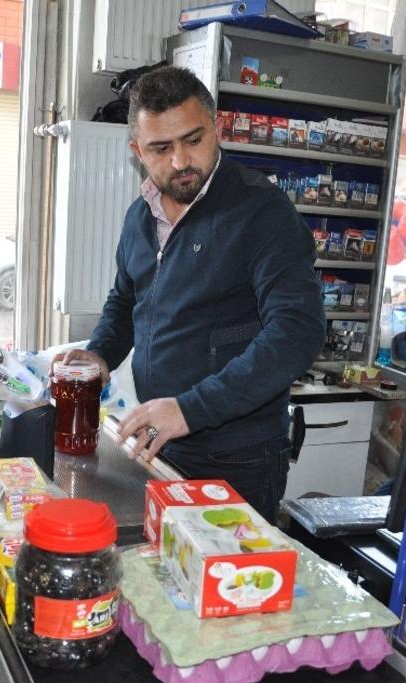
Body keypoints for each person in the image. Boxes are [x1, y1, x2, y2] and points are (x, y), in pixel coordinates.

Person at [60, 66, 325, 523]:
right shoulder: (139, 217)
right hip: (159, 437)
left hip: (236, 455)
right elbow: (126, 299)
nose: (181, 160)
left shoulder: (261, 212)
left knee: (226, 570)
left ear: (216, 129)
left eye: (193, 140)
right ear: (137, 151)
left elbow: (297, 332)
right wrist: (100, 352)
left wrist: (190, 409)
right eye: (161, 148)